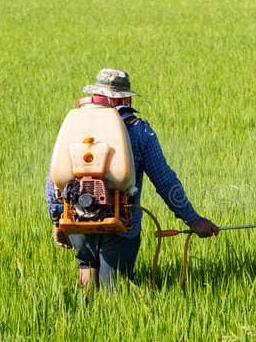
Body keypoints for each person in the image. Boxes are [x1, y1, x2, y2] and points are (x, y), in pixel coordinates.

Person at [45, 68, 219, 290]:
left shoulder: (75, 126)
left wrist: (57, 220)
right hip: (122, 224)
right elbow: (165, 181)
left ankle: (85, 309)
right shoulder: (139, 131)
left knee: (86, 267)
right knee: (113, 290)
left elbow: (54, 178)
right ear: (125, 99)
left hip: (77, 218)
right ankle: (111, 309)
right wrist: (193, 220)